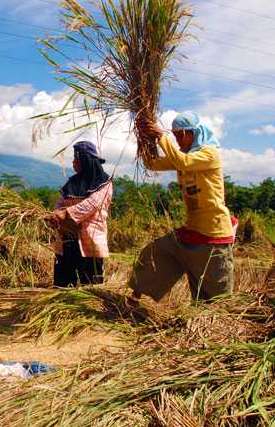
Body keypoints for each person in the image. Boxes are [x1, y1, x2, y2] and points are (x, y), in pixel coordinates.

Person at [130, 111, 234, 302]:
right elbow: (151, 164)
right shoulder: (183, 155)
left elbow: (182, 162)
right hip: (192, 230)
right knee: (154, 252)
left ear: (193, 132)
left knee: (214, 297)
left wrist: (161, 135)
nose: (177, 139)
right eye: (174, 135)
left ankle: (214, 327)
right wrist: (147, 138)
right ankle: (133, 300)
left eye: (180, 135)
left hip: (214, 233)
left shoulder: (209, 154)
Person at [47, 141, 113, 287]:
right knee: (63, 281)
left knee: (90, 284)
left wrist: (66, 214)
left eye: (76, 159)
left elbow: (92, 204)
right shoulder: (72, 183)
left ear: (85, 160)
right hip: (67, 239)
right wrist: (55, 213)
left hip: (90, 239)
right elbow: (61, 201)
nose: (73, 162)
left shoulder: (104, 183)